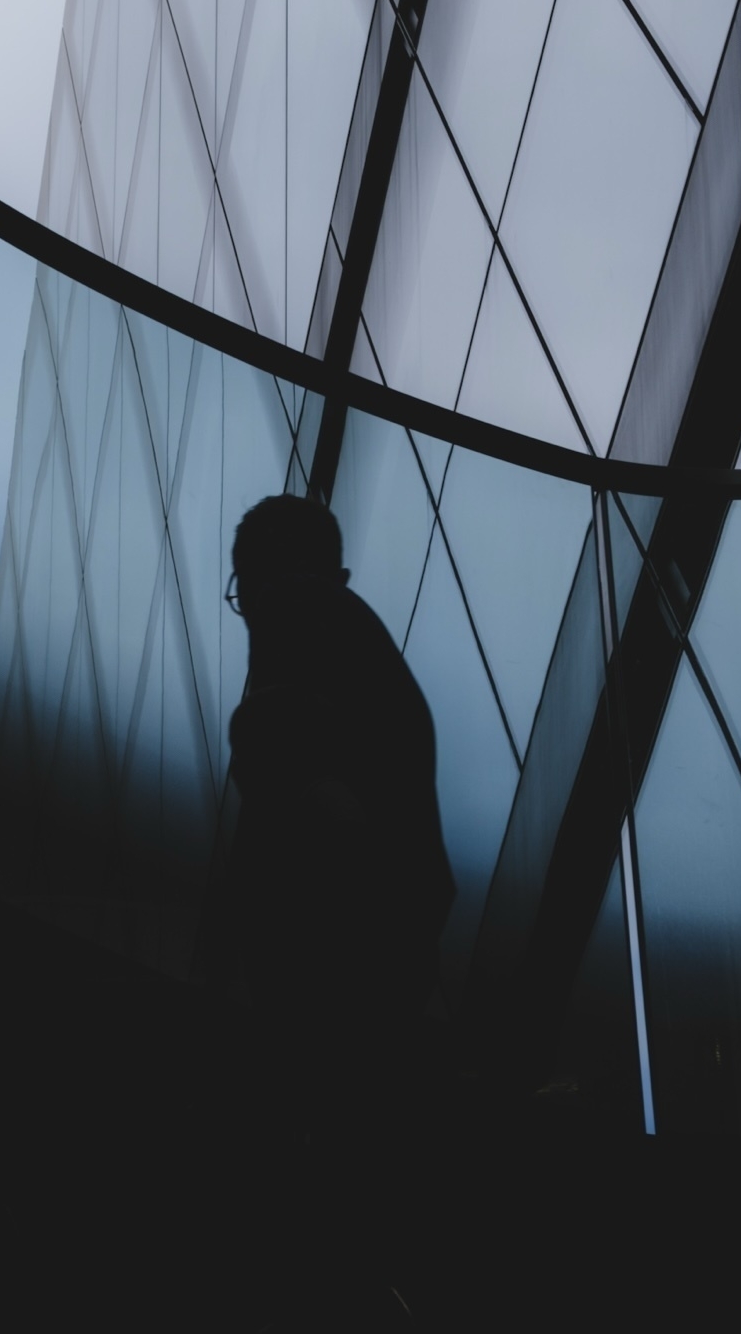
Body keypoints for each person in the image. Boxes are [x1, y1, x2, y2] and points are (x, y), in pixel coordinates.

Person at [217, 493, 454, 1153]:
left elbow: (285, 746)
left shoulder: (290, 601)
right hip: (383, 967)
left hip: (332, 970)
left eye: (244, 592)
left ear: (255, 578)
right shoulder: (371, 660)